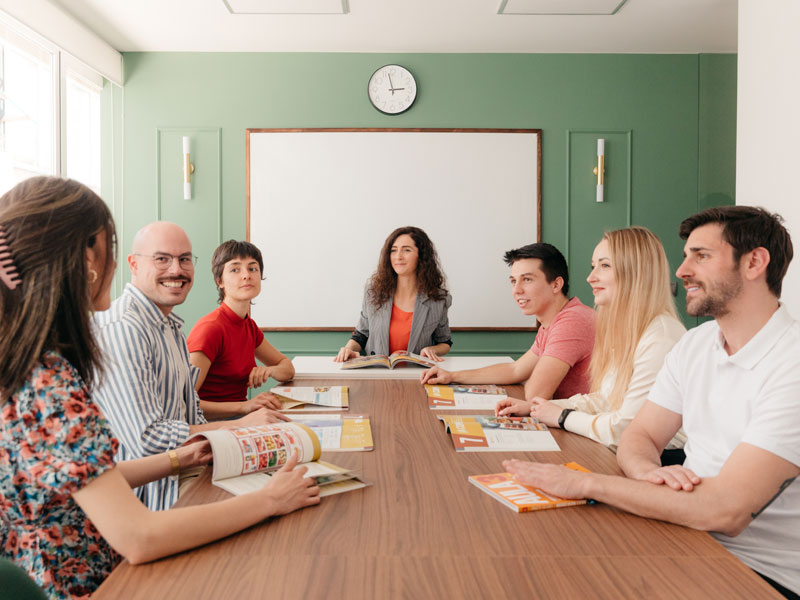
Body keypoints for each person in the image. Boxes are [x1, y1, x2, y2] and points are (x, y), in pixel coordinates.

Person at [0, 177, 319, 600]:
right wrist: (272, 500)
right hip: (92, 583)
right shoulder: (48, 382)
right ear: (88, 262)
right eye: (109, 246)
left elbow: (83, 477)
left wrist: (177, 458)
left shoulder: (33, 363)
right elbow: (139, 537)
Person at [503, 207, 800, 599]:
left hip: (758, 572)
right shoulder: (696, 345)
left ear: (754, 262)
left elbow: (724, 511)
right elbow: (639, 434)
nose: (681, 271)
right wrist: (646, 472)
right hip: (686, 535)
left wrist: (585, 483)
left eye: (702, 256)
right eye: (686, 256)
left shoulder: (791, 361)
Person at [93, 222, 287, 512]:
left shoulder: (170, 325)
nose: (176, 269)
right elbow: (148, 439)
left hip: (190, 464)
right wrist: (239, 423)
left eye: (184, 259)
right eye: (162, 259)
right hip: (152, 494)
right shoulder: (126, 328)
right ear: (133, 264)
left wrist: (240, 433)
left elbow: (192, 410)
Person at [496, 227, 687, 455]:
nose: (590, 277)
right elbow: (606, 400)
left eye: (604, 266)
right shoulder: (627, 329)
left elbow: (628, 428)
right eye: (593, 266)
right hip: (616, 448)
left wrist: (562, 416)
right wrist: (538, 408)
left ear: (635, 272)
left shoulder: (661, 337)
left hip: (661, 458)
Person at [420, 242, 595, 401]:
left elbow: (536, 394)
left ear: (556, 285)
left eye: (527, 279)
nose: (517, 290)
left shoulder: (572, 320)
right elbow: (516, 370)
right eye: (513, 281)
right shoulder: (554, 322)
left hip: (585, 429)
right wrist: (451, 376)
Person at [187, 240, 294, 420]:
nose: (246, 275)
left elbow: (287, 368)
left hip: (241, 422)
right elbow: (185, 402)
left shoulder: (248, 325)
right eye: (235, 269)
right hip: (211, 429)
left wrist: (269, 371)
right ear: (219, 280)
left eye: (252, 269)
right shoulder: (210, 329)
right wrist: (244, 406)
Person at [334, 226, 452, 362]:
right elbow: (361, 334)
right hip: (376, 371)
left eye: (406, 250)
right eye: (393, 250)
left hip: (418, 374)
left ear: (422, 256)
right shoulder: (373, 292)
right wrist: (348, 349)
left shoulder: (438, 299)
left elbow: (445, 342)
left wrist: (433, 350)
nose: (398, 256)